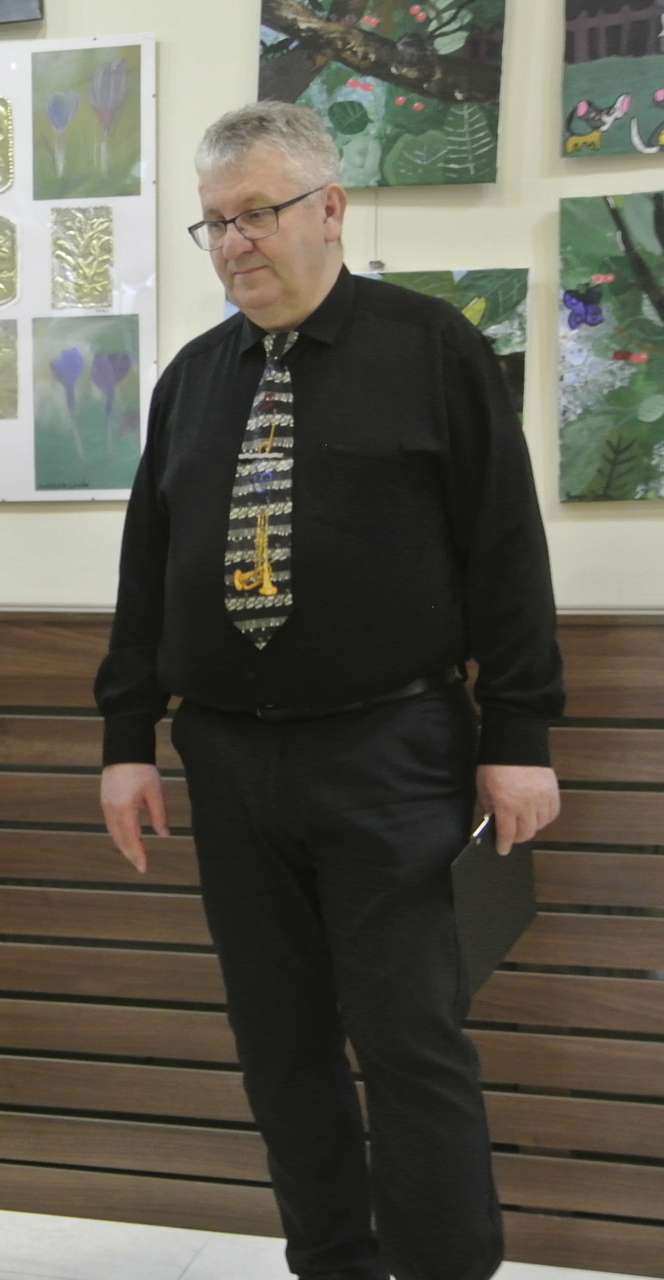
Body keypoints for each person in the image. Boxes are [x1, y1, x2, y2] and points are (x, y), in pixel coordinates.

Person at [94, 102, 563, 1280]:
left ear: (330, 208)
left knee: (410, 1043)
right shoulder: (192, 379)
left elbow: (504, 547)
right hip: (229, 760)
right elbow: (148, 568)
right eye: (213, 222)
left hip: (390, 749)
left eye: (256, 213)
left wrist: (518, 734)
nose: (233, 243)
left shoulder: (432, 348)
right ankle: (332, 1262)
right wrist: (126, 737)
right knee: (279, 1047)